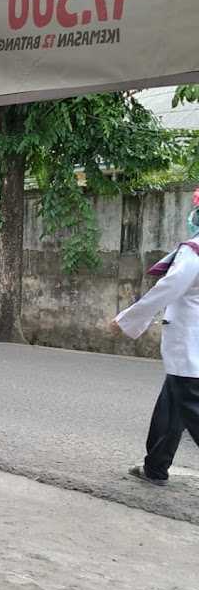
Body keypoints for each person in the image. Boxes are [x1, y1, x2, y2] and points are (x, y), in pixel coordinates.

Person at [111, 202, 199, 487]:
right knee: (170, 408)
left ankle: (156, 467)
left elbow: (169, 287)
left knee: (191, 410)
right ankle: (155, 468)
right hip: (189, 350)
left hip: (189, 346)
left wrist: (127, 319)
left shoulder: (193, 250)